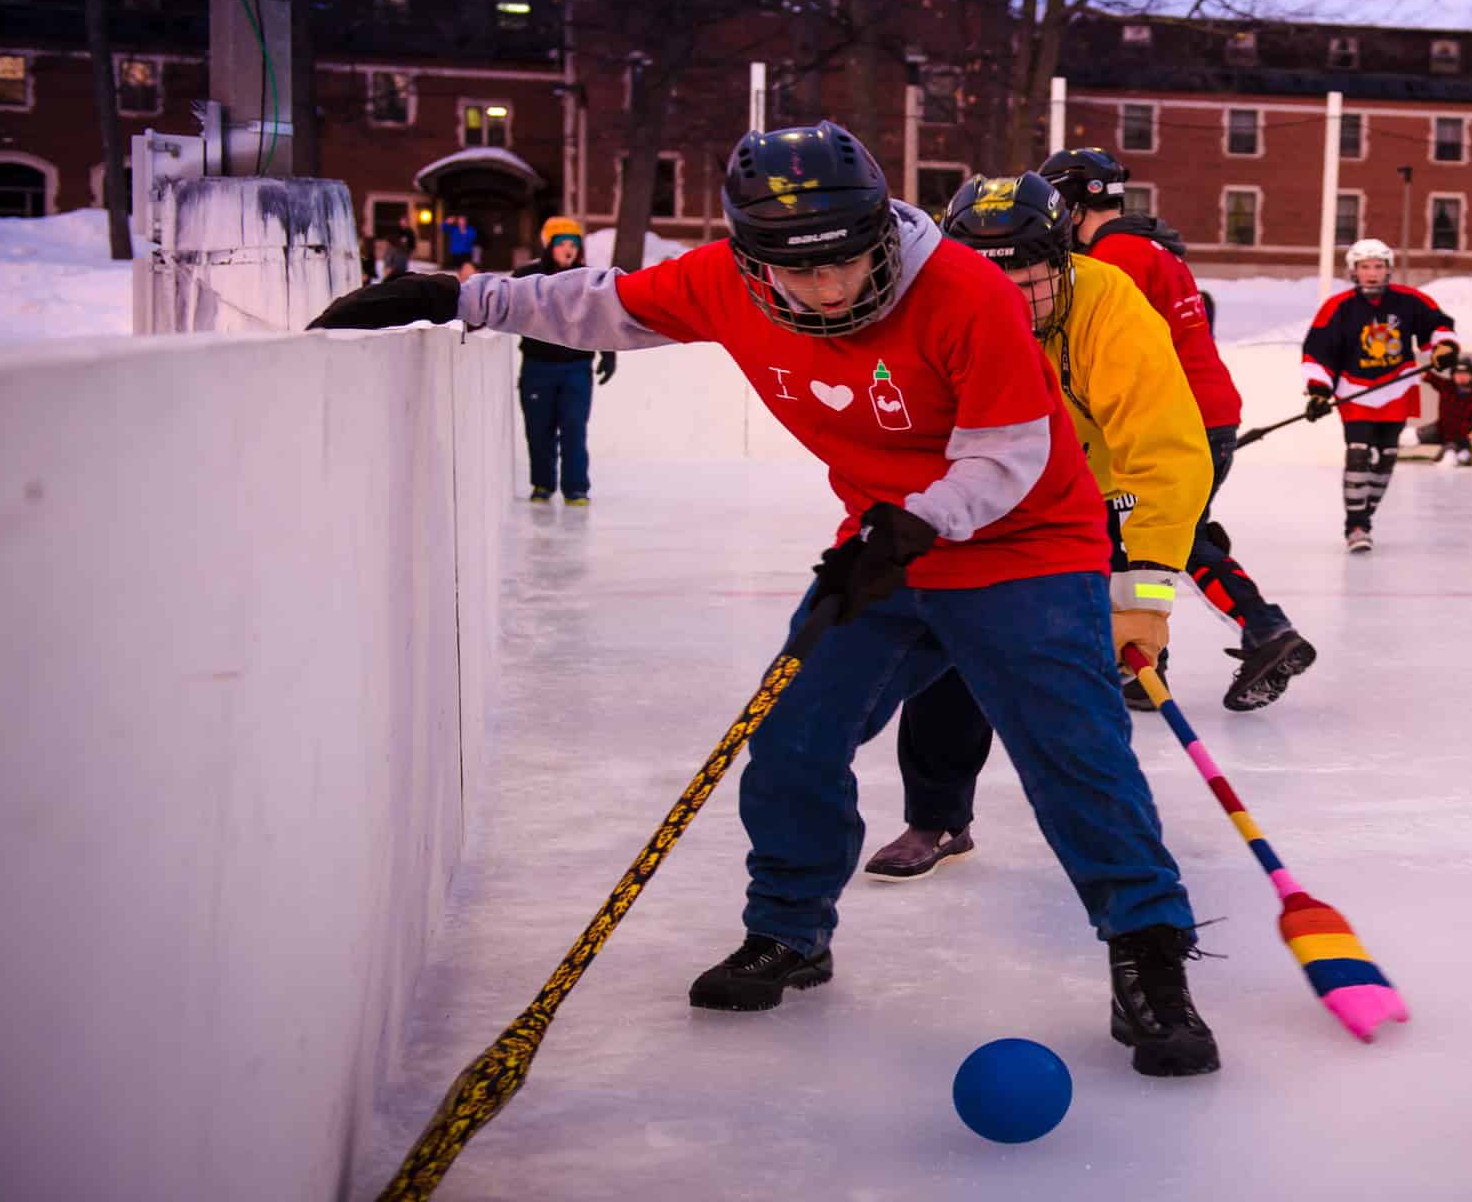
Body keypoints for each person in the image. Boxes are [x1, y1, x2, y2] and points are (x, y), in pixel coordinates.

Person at [307, 122, 1220, 1075]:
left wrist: (906, 529)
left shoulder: (966, 290)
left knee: (1075, 754)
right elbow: (601, 307)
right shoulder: (720, 283)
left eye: (849, 264)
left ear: (878, 230)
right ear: (751, 259)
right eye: (798, 274)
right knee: (792, 737)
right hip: (884, 548)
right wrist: (461, 295)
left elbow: (1006, 457)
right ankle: (789, 931)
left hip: (1022, 545)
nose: (828, 290)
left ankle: (1150, 960)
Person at [864, 170, 1206, 885]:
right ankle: (936, 818)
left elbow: (1164, 448)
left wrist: (1142, 593)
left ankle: (1117, 834)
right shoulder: (934, 305)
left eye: (1030, 282)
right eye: (989, 283)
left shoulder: (1108, 303)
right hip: (981, 495)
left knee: (1073, 680)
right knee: (945, 657)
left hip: (1090, 501)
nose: (1009, 303)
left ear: (1062, 256)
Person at [1041, 147, 1317, 710]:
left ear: (1071, 205)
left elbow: (1105, 352)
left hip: (1174, 418)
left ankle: (1263, 632)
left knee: (1158, 535)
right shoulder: (1151, 246)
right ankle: (1152, 668)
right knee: (1167, 533)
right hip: (1207, 409)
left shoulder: (1113, 260)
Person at [1301, 238, 1459, 552]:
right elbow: (1319, 351)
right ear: (1354, 272)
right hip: (1355, 391)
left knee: (1386, 458)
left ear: (1387, 269)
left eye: (1378, 266)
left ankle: (1365, 514)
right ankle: (1356, 526)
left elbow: (1437, 326)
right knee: (1359, 453)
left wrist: (1443, 347)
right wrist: (1319, 391)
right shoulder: (1338, 307)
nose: (1372, 273)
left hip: (1396, 387)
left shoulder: (1409, 300)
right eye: (1364, 267)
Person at [512, 216, 617, 504]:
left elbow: (601, 318)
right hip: (537, 366)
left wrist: (608, 353)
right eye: (562, 245)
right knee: (539, 429)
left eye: (574, 244)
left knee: (573, 428)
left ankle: (576, 487)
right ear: (549, 247)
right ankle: (542, 484)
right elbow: (507, 306)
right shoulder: (527, 277)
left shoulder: (589, 279)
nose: (569, 250)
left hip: (576, 367)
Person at [1417, 356, 1472, 466]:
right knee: (1407, 437)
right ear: (1453, 374)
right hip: (1440, 429)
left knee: (1449, 459)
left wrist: (1468, 438)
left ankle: (1463, 452)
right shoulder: (1446, 386)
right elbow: (1425, 374)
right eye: (1458, 373)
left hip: (1459, 438)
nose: (1461, 377)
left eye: (1465, 373)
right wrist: (1406, 361)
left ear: (1471, 375)